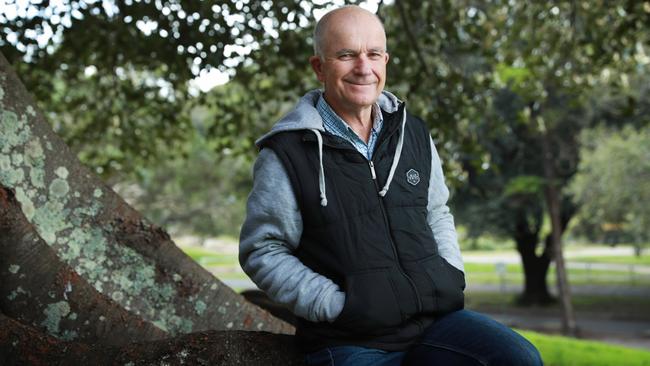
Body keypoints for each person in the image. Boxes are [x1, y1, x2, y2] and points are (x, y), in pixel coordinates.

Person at [239, 5, 543, 366]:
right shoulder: (287, 152)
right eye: (346, 55)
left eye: (373, 54)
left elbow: (436, 212)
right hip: (351, 338)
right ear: (319, 67)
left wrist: (449, 272)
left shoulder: (412, 133)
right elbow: (263, 250)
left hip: (434, 322)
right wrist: (337, 305)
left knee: (518, 358)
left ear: (386, 60)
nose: (363, 68)